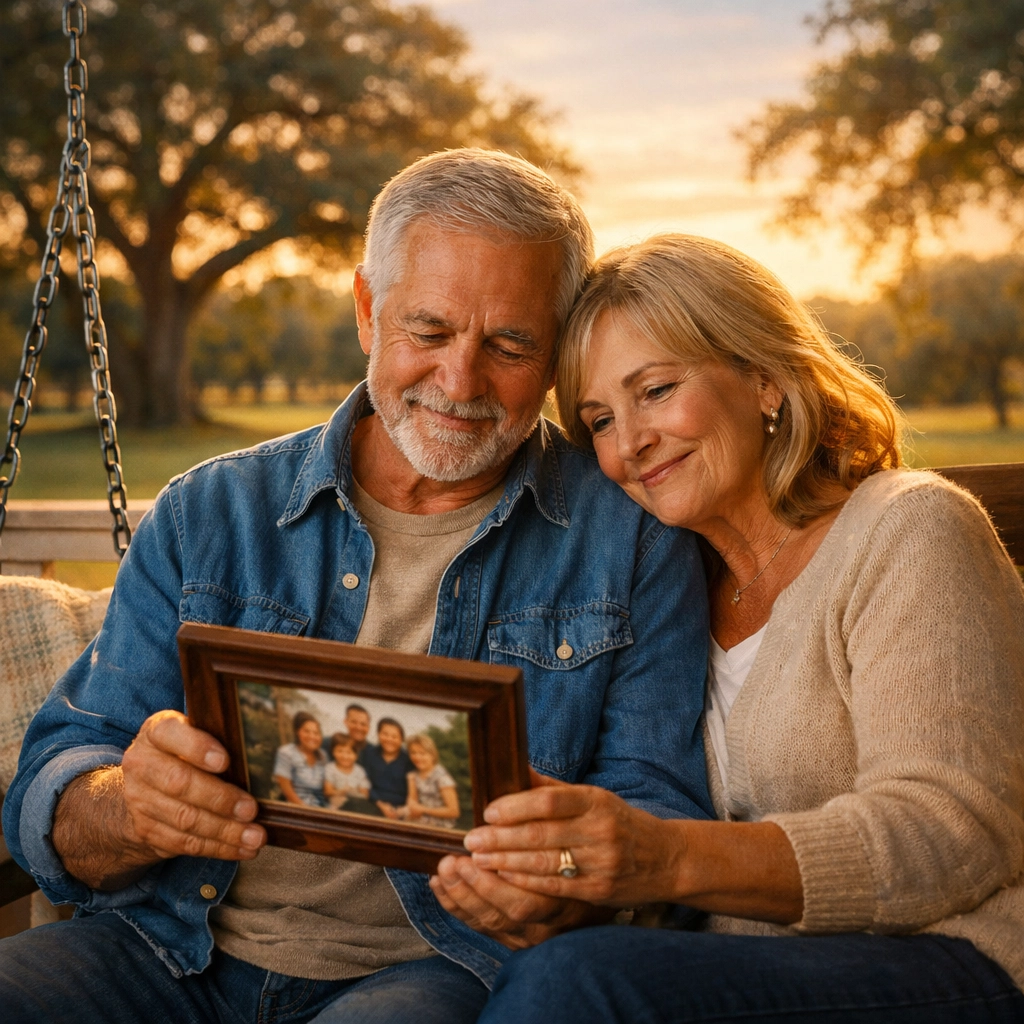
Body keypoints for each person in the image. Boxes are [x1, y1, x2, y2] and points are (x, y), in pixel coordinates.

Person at [1, 153, 713, 1024]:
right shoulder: (210, 510)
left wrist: (564, 885)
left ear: (560, 349)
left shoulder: (634, 541)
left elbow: (656, 821)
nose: (460, 382)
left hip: (438, 968)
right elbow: (59, 775)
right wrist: (128, 807)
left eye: (511, 344)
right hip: (162, 946)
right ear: (369, 312)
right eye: (429, 330)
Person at [453, 234, 1024, 1024]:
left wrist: (663, 859)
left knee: (577, 986)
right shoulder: (674, 591)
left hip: (962, 959)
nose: (630, 444)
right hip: (759, 972)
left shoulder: (909, 530)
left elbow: (952, 833)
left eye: (655, 390)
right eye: (600, 421)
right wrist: (558, 888)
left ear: (764, 379)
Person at [360, 718, 415, 818]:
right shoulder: (369, 753)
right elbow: (364, 782)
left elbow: (413, 791)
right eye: (385, 734)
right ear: (378, 734)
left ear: (401, 739)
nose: (389, 739)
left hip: (401, 808)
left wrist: (402, 810)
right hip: (373, 803)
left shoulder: (409, 759)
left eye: (394, 736)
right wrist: (380, 804)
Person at [405, 734, 460, 830]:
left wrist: (423, 810)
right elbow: (412, 805)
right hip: (420, 824)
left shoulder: (441, 777)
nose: (417, 757)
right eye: (413, 753)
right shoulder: (414, 774)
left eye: (422, 753)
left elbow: (454, 811)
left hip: (440, 829)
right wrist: (411, 781)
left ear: (432, 755)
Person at [273, 712, 328, 808]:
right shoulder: (286, 752)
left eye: (316, 733)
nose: (312, 736)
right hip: (295, 810)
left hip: (321, 809)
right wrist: (308, 811)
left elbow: (326, 789)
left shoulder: (323, 756)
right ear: (297, 732)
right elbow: (287, 791)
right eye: (306, 731)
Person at [323, 733, 370, 811]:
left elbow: (365, 795)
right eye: (340, 751)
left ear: (356, 755)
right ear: (333, 752)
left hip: (356, 803)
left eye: (349, 752)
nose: (344, 756)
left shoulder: (360, 771)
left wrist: (353, 793)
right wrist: (342, 792)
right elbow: (327, 791)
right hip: (336, 804)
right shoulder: (330, 768)